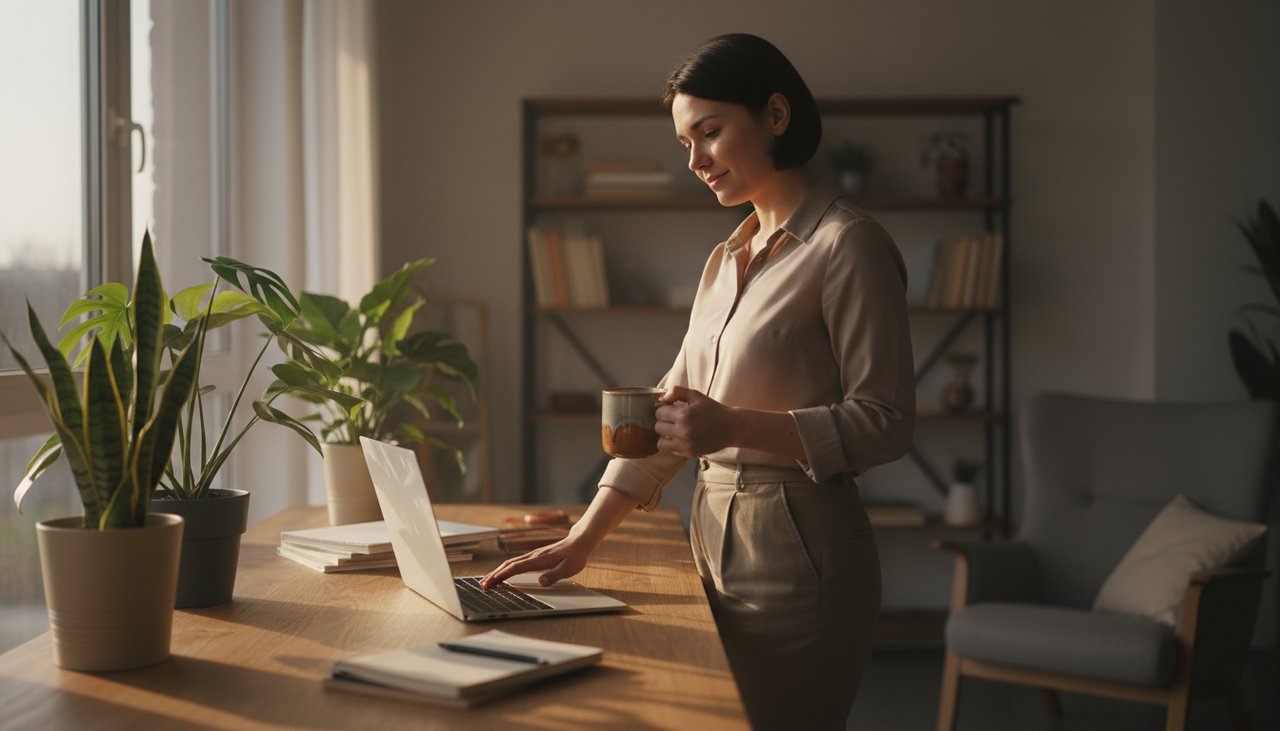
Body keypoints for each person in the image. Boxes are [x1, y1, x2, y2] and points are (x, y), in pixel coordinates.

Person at [483, 33, 915, 730]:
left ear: (776, 115)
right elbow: (666, 417)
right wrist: (583, 538)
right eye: (685, 141)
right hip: (710, 530)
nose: (694, 160)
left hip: (802, 546)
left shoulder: (849, 245)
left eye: (709, 132)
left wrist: (735, 426)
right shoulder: (725, 259)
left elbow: (887, 419)